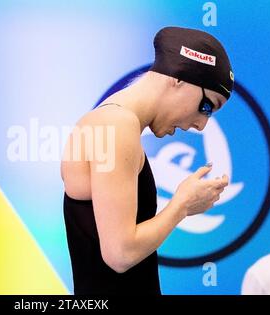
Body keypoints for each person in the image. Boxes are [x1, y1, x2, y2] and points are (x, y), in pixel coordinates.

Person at [61, 26, 234, 295]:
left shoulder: (111, 121)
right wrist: (182, 206)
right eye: (207, 106)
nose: (201, 125)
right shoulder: (116, 124)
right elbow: (120, 254)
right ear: (178, 79)